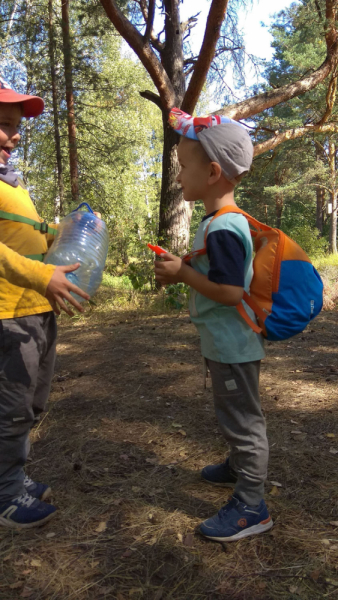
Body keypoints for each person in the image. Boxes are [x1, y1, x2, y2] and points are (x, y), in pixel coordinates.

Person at [154, 108, 273, 542]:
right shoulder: (219, 223)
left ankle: (252, 505)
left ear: (213, 171)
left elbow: (229, 292)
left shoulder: (223, 226)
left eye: (184, 167)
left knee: (244, 422)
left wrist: (181, 274)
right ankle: (238, 466)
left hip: (233, 346)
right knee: (234, 415)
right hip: (226, 343)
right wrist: (185, 264)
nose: (179, 176)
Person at [0, 77, 92, 529]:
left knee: (32, 402)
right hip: (7, 317)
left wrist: (65, 233)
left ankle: (12, 474)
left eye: (16, 127)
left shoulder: (13, 185)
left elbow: (24, 237)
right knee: (10, 405)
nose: (14, 135)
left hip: (35, 309)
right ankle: (4, 495)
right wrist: (42, 275)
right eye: (3, 125)